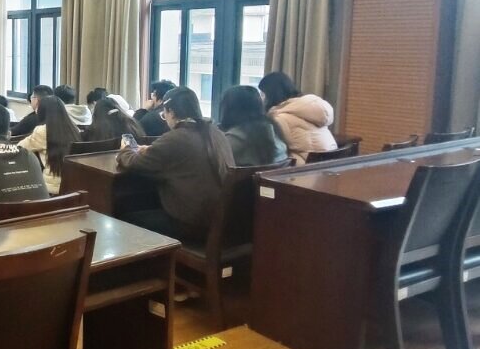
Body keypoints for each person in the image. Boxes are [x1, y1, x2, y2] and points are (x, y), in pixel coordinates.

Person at [117, 87, 234, 242]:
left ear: (171, 112)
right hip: (220, 220)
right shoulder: (216, 133)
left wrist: (126, 149)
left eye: (164, 114)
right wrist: (151, 149)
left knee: (122, 214)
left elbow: (134, 163)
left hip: (191, 224)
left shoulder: (176, 138)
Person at [259, 71, 338, 164]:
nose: (261, 99)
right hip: (331, 165)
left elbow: (274, 149)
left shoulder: (280, 118)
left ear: (271, 95)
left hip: (305, 168)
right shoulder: (308, 108)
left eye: (262, 94)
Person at [18, 96, 81, 195]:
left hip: (50, 188)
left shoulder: (42, 131)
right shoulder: (73, 128)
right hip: (72, 185)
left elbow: (20, 147)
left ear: (42, 112)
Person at [219, 86, 288, 166]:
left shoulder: (237, 137)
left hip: (246, 174)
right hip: (276, 173)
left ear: (230, 108)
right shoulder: (271, 127)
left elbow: (215, 159)